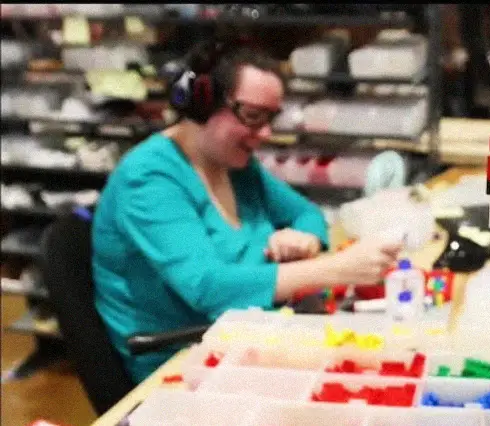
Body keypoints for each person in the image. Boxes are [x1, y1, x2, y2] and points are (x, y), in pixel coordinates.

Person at [92, 40, 402, 383]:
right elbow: (207, 287)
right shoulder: (149, 179)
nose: (265, 133)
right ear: (202, 103)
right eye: (253, 116)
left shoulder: (235, 164)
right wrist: (337, 269)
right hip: (182, 363)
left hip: (252, 336)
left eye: (271, 118)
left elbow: (307, 214)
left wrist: (307, 241)